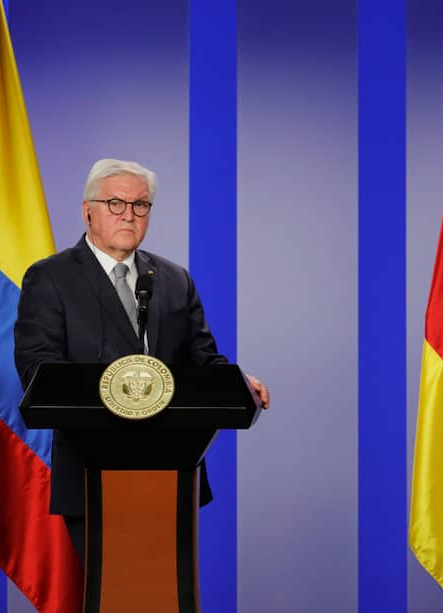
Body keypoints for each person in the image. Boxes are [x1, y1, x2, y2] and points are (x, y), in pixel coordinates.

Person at [14, 158, 270, 561]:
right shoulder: (50, 277)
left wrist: (237, 384)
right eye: (115, 203)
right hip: (91, 472)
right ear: (88, 210)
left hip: (172, 475)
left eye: (140, 205)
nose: (129, 215)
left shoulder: (173, 278)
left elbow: (202, 359)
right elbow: (38, 369)